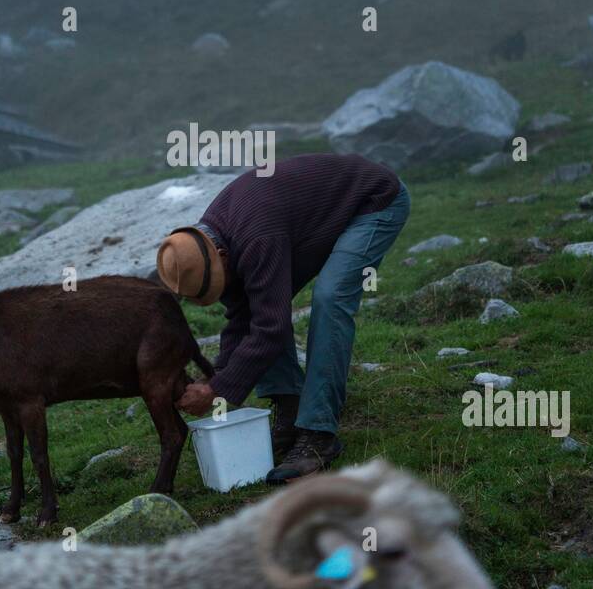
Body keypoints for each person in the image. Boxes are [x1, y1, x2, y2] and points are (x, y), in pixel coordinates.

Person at [155, 152, 410, 483]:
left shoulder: (256, 237)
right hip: (317, 216)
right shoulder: (206, 245)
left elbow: (270, 330)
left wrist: (217, 390)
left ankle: (319, 435)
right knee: (264, 308)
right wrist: (216, 375)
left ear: (220, 256)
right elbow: (243, 317)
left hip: (373, 201)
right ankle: (290, 412)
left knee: (330, 298)